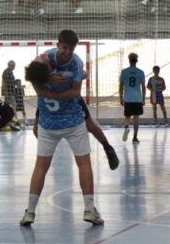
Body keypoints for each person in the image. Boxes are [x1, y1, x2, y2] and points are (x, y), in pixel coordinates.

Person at [20, 58, 103, 227]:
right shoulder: (65, 76)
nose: (45, 57)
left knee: (40, 167)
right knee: (84, 164)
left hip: (48, 125)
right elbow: (84, 75)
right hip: (73, 123)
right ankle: (89, 209)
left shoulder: (38, 82)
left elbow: (35, 73)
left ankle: (30, 211)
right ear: (48, 67)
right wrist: (78, 71)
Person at [40, 30, 119, 170]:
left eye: (71, 49)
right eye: (64, 48)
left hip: (69, 98)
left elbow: (76, 90)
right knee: (37, 128)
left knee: (90, 126)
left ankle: (107, 147)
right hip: (49, 101)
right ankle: (46, 153)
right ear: (58, 46)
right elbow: (32, 72)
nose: (67, 52)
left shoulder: (75, 62)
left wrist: (81, 75)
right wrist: (49, 79)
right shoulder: (47, 56)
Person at [119, 53, 146, 143]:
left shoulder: (124, 72)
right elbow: (143, 87)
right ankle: (135, 137)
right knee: (136, 118)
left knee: (127, 116)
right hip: (137, 98)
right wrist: (143, 99)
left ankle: (126, 127)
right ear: (136, 61)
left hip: (127, 98)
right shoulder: (140, 72)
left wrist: (121, 98)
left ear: (129, 60)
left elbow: (121, 86)